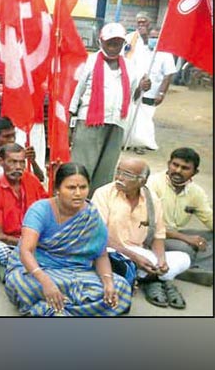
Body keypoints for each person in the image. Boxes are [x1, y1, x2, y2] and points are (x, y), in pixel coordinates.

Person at [3, 162, 131, 316]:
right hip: (39, 268)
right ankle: (77, 308)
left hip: (77, 271)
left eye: (83, 188)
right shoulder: (40, 210)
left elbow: (101, 254)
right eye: (71, 188)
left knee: (120, 287)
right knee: (21, 284)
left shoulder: (91, 215)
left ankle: (51, 309)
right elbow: (26, 251)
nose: (78, 193)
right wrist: (46, 283)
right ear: (57, 189)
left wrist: (108, 282)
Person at [93, 157, 191, 309]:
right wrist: (134, 256)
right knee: (112, 259)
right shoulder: (103, 193)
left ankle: (150, 275)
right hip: (112, 250)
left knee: (184, 258)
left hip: (141, 253)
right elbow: (99, 236)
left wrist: (161, 260)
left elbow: (158, 236)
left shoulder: (152, 200)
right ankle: (157, 280)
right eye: (118, 172)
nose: (119, 178)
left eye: (127, 175)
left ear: (142, 181)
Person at [70, 23, 149, 195]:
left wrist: (142, 88)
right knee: (83, 166)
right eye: (110, 43)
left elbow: (132, 98)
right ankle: (76, 202)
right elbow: (76, 93)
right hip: (89, 122)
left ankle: (97, 205)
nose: (113, 48)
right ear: (101, 42)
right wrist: (69, 124)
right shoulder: (89, 62)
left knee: (106, 170)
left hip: (117, 123)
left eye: (118, 43)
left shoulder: (129, 66)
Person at [147, 147, 212, 287]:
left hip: (177, 234)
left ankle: (192, 268)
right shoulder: (153, 184)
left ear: (195, 172)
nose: (178, 171)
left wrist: (186, 238)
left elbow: (209, 218)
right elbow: (150, 224)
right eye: (175, 165)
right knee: (186, 248)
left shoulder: (196, 192)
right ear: (168, 164)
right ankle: (185, 270)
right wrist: (186, 238)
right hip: (154, 236)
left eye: (185, 168)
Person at [0, 144, 47, 277]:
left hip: (30, 239)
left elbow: (47, 209)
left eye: (22, 162)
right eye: (12, 162)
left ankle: (17, 268)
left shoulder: (31, 180)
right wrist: (28, 243)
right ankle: (24, 267)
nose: (18, 167)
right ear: (1, 162)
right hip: (5, 243)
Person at [123, 25, 176, 154]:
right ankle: (129, 142)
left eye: (156, 37)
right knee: (132, 116)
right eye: (151, 37)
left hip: (152, 93)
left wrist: (161, 93)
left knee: (145, 118)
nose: (153, 40)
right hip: (136, 90)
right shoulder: (142, 51)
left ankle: (141, 143)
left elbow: (168, 75)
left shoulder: (166, 54)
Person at [0, 116, 44, 182]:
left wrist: (33, 162)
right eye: (7, 136)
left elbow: (40, 180)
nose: (12, 140)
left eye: (13, 135)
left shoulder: (22, 155)